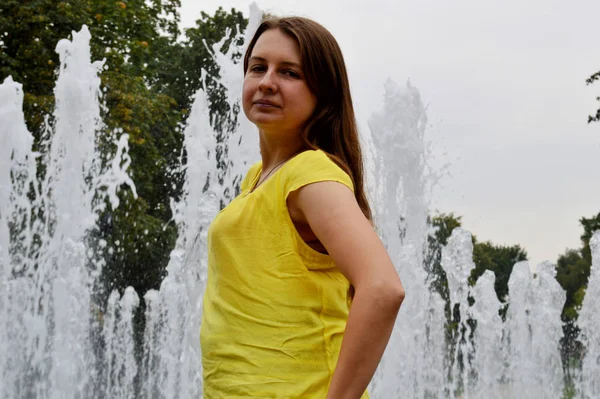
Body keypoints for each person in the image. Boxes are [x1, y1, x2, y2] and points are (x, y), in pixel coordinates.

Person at [200, 14, 405, 399]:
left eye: (290, 73)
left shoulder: (310, 174)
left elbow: (382, 288)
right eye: (258, 68)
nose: (266, 83)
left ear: (323, 94)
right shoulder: (258, 178)